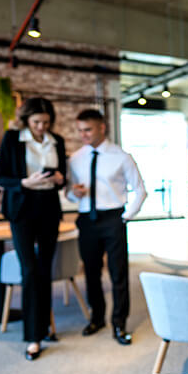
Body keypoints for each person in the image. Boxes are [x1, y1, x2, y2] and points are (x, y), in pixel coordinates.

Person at [66, 109, 146, 345]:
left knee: (118, 273)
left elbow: (140, 190)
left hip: (113, 219)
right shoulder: (75, 158)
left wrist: (125, 217)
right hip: (86, 219)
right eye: (80, 130)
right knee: (90, 273)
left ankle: (119, 324)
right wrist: (74, 193)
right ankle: (97, 318)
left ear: (102, 127)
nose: (83, 135)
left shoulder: (122, 156)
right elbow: (70, 194)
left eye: (88, 130)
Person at [0, 97, 66, 360]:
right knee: (30, 270)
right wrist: (25, 181)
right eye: (37, 122)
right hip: (22, 210)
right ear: (26, 120)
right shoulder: (13, 138)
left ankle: (45, 328)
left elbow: (62, 177)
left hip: (48, 208)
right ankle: (32, 337)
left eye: (46, 122)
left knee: (45, 269)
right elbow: (0, 176)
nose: (41, 127)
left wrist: (60, 179)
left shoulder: (56, 140)